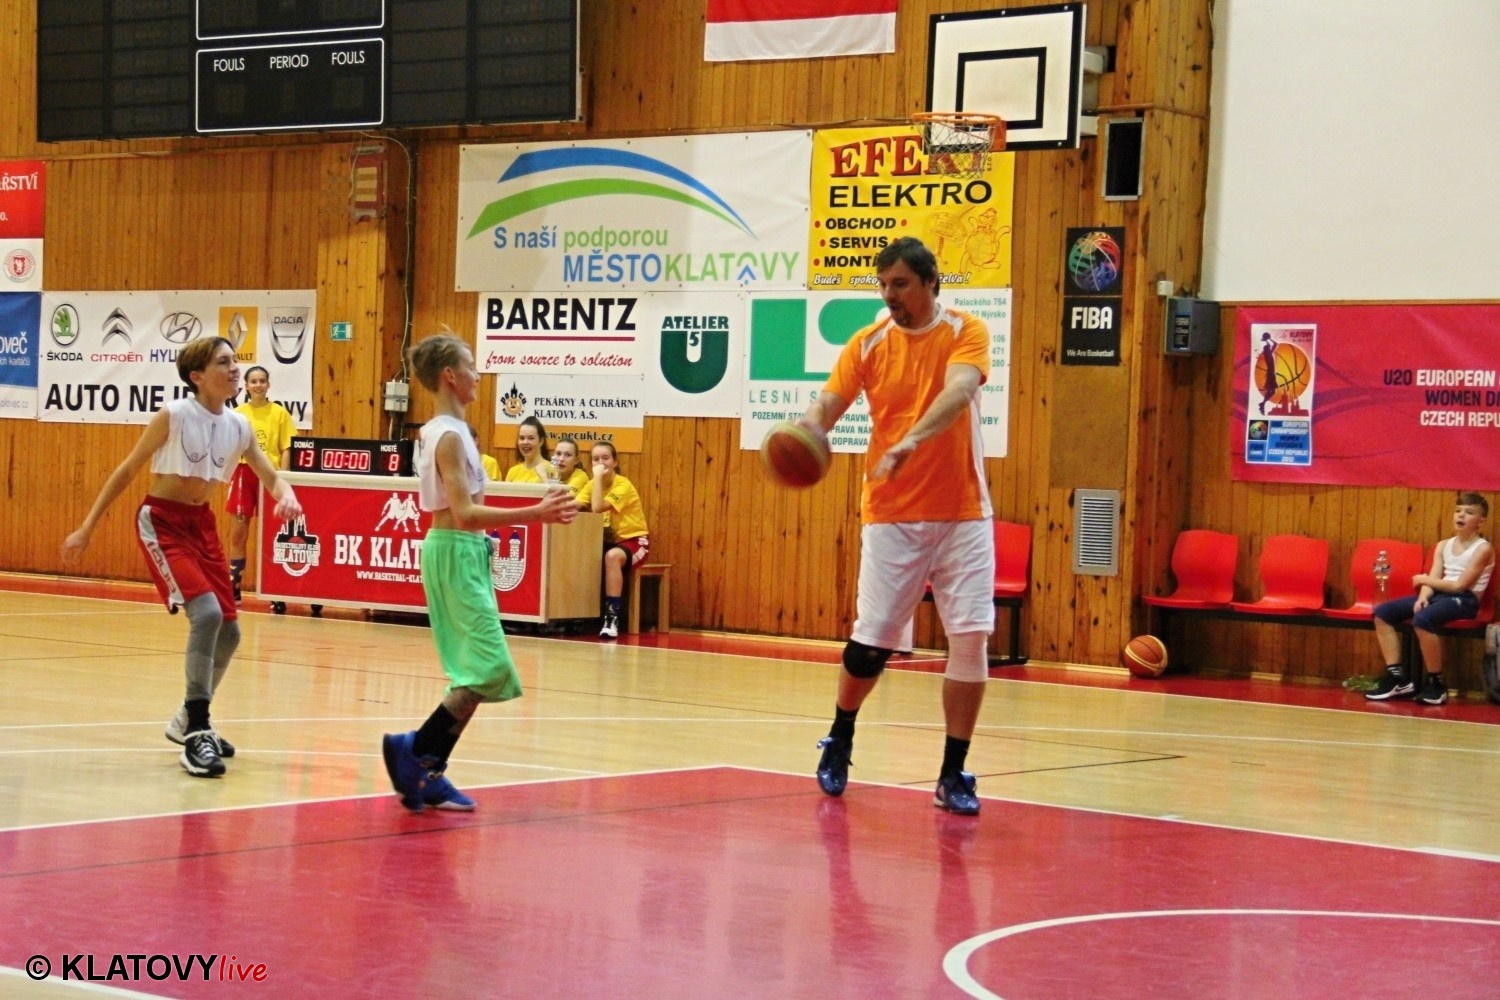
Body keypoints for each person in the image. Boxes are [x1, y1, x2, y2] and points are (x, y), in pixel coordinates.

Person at [800, 236, 994, 816]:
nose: (890, 295)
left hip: (964, 512)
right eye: (883, 285)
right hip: (892, 514)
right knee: (871, 646)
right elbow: (829, 405)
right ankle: (841, 734)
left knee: (970, 639)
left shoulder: (965, 331)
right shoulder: (868, 342)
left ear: (931, 282)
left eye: (901, 284)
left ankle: (953, 773)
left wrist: (913, 439)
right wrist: (806, 429)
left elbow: (960, 389)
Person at [61, 337, 302, 778]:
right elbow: (128, 469)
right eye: (224, 362)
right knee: (206, 614)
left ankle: (187, 718)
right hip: (163, 522)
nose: (235, 368)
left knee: (230, 633)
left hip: (202, 525)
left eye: (235, 361)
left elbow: (271, 476)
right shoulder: (173, 415)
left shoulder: (239, 425)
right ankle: (197, 729)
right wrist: (88, 526)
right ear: (197, 376)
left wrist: (287, 495)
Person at [381, 334, 578, 812]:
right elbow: (465, 513)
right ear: (450, 375)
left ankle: (427, 769)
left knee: (475, 673)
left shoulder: (451, 432)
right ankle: (413, 750)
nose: (478, 375)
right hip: (454, 550)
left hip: (463, 551)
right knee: (489, 669)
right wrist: (537, 514)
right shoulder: (448, 436)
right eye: (471, 366)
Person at [1366, 492, 1492, 706]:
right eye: (1458, 510)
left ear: (1481, 521)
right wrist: (1423, 596)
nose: (1461, 515)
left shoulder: (1483, 548)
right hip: (1440, 595)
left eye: (1469, 512)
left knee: (1423, 620)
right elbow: (1434, 577)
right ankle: (1397, 678)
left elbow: (1460, 585)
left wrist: (1424, 580)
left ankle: (1436, 683)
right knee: (1382, 613)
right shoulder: (1443, 545)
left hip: (1465, 599)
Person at [225, 365, 295, 604]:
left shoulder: (279, 413)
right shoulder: (237, 414)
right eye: (253, 381)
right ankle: (234, 587)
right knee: (238, 534)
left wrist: (283, 478)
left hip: (269, 475)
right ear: (246, 386)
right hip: (244, 473)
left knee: (273, 534)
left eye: (262, 381)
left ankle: (276, 590)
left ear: (268, 385)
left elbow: (287, 447)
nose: (258, 385)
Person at [589, 441, 650, 640]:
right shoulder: (592, 485)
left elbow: (597, 507)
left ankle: (611, 618)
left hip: (635, 542)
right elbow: (576, 503)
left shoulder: (623, 485)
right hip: (607, 542)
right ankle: (576, 618)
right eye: (595, 459)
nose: (600, 463)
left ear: (615, 462)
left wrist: (597, 478)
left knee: (612, 556)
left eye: (605, 458)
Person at [504, 415, 557, 483]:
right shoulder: (512, 472)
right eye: (522, 438)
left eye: (531, 438)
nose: (525, 442)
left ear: (541, 441)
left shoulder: (551, 469)